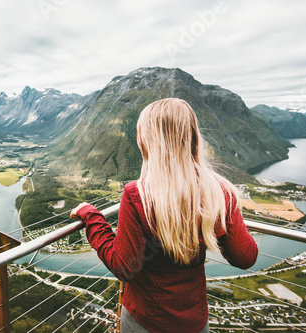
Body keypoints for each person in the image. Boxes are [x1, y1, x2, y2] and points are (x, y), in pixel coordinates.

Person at [70, 98, 258, 333]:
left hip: (144, 322)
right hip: (195, 322)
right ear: (191, 137)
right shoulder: (220, 192)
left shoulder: (138, 195)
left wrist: (91, 217)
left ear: (148, 141)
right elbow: (245, 257)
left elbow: (123, 267)